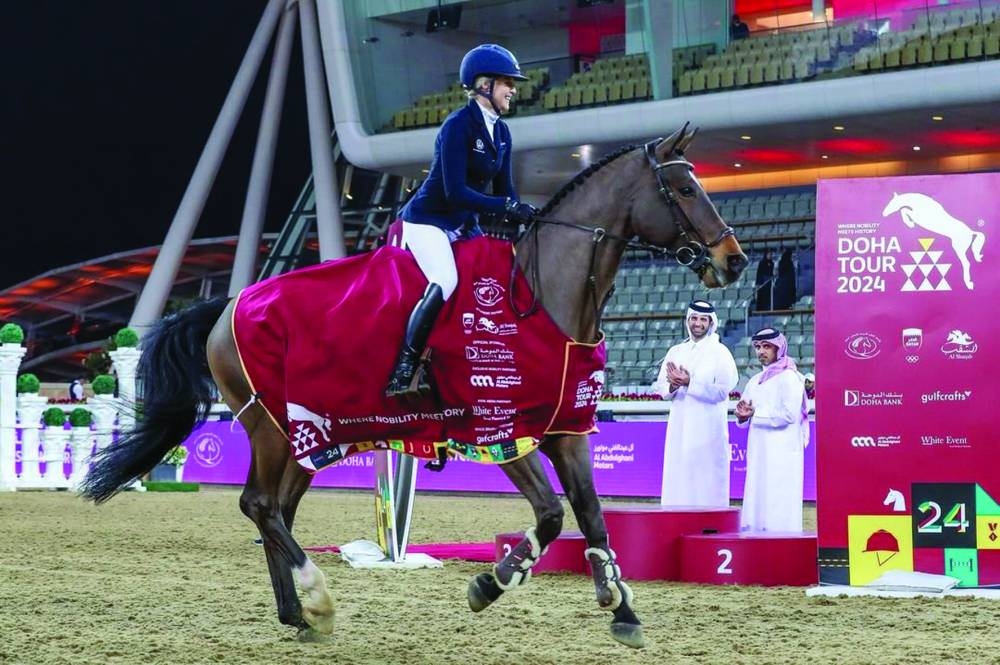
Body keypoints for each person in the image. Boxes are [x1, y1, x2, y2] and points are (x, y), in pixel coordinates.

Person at [386, 44, 537, 397]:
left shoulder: (501, 133)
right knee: (447, 278)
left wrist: (526, 216)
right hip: (429, 220)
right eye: (506, 83)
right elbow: (455, 192)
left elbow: (506, 191)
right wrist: (506, 206)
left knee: (493, 278)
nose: (513, 89)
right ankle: (406, 366)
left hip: (463, 224)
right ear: (483, 85)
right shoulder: (458, 125)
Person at [651, 300, 739, 507]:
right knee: (679, 475)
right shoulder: (676, 351)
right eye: (694, 318)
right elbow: (661, 388)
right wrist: (673, 386)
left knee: (705, 479)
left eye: (703, 319)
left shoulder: (720, 353)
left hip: (708, 430)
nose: (698, 323)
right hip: (680, 428)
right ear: (688, 321)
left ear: (711, 323)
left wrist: (690, 383)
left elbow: (722, 391)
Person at [735, 327, 810, 532]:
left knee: (779, 497)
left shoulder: (790, 378)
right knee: (757, 493)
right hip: (759, 450)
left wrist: (754, 414)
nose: (761, 352)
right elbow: (744, 413)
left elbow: (788, 415)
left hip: (782, 453)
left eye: (766, 347)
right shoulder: (754, 381)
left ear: (779, 348)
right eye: (758, 347)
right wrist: (742, 416)